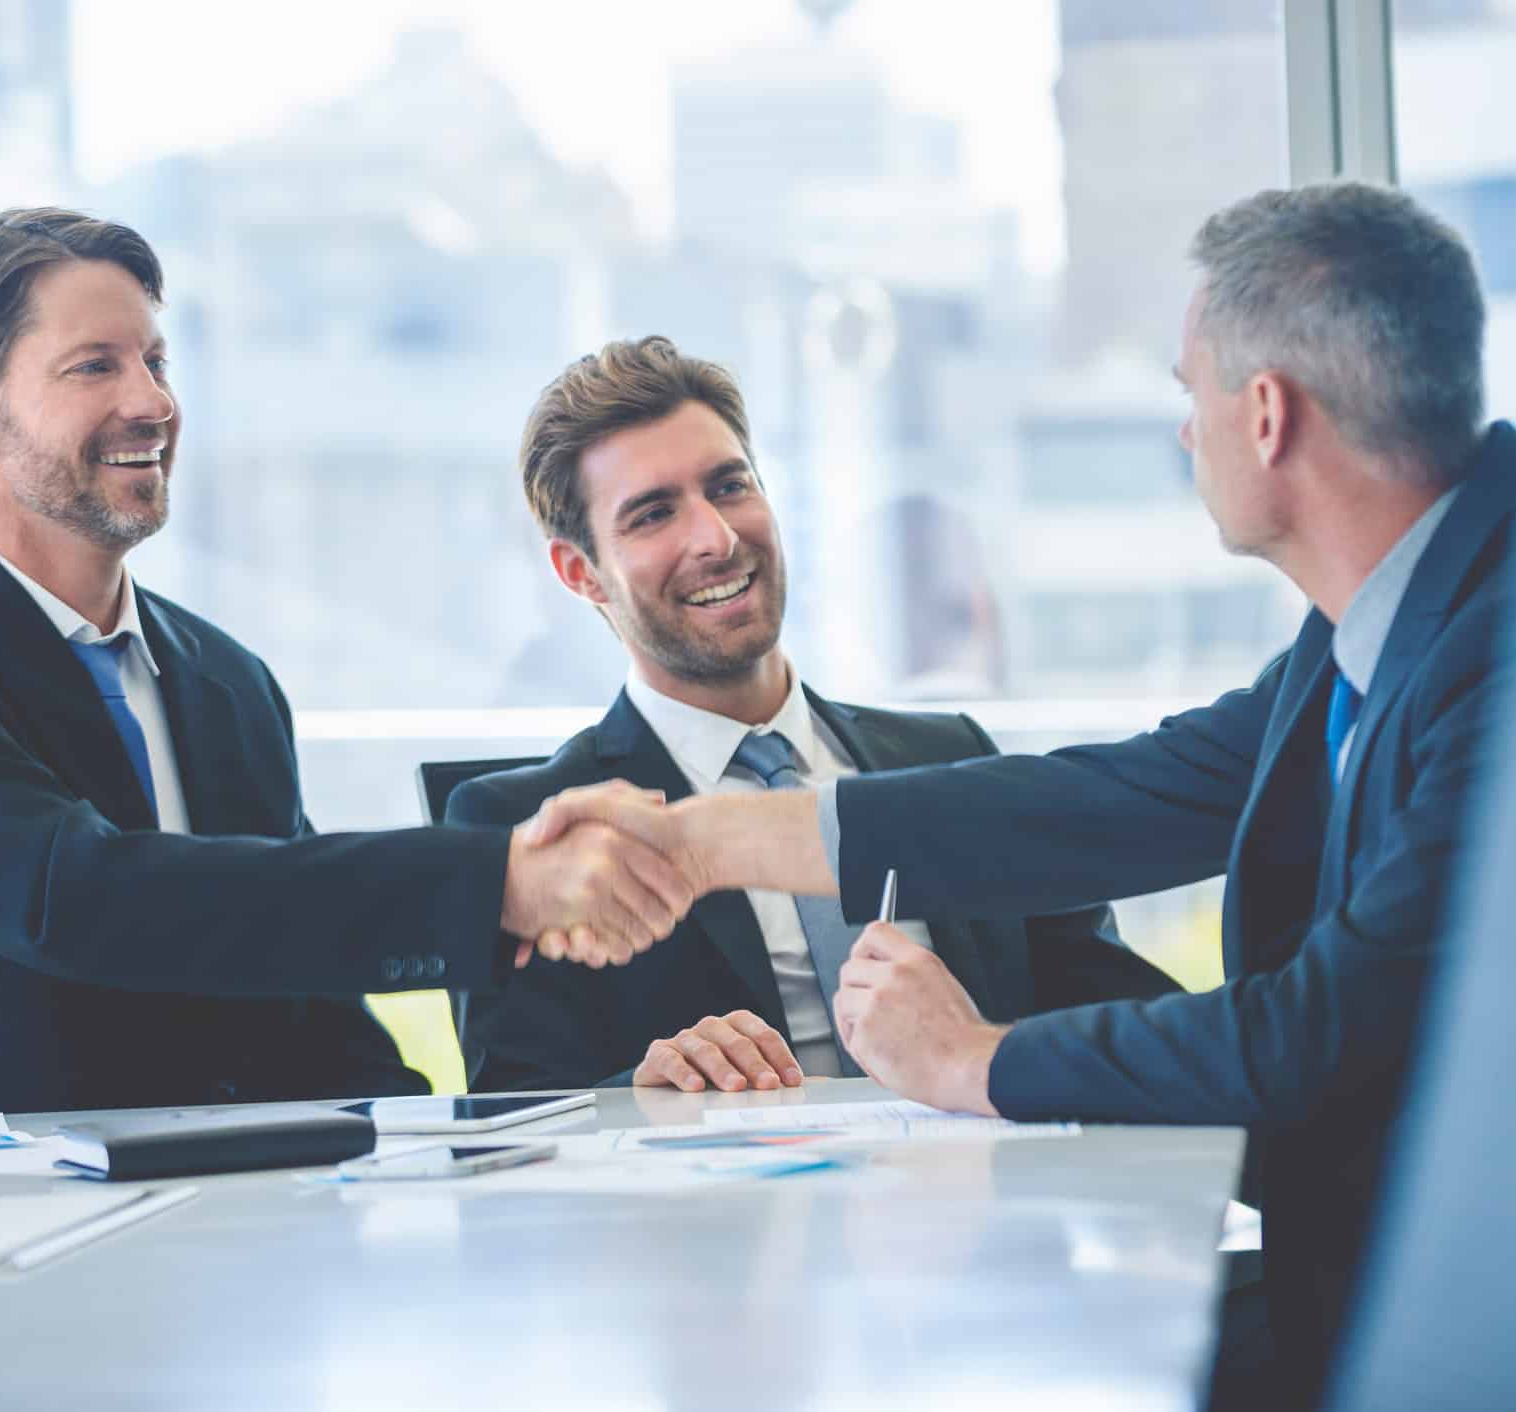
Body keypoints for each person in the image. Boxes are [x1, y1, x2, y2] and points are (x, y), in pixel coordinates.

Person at [523, 183, 1516, 1406]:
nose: (1184, 437)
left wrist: (975, 1058)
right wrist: (711, 839)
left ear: (1265, 413)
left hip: (1512, 1316)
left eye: (1188, 395)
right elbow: (1119, 798)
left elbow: (1312, 1035)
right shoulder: (1394, 619)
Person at [0, 209, 690, 1124]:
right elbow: (74, 900)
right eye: (95, 366)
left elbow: (313, 1006)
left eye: (156, 363)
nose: (154, 402)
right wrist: (497, 884)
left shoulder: (224, 682)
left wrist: (497, 1143)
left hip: (214, 1222)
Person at [449, 337, 1177, 1094]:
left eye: (730, 487)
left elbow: (1115, 1012)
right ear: (581, 573)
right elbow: (518, 1110)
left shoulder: (952, 757)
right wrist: (642, 1088)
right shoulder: (529, 832)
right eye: (654, 514)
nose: (717, 538)